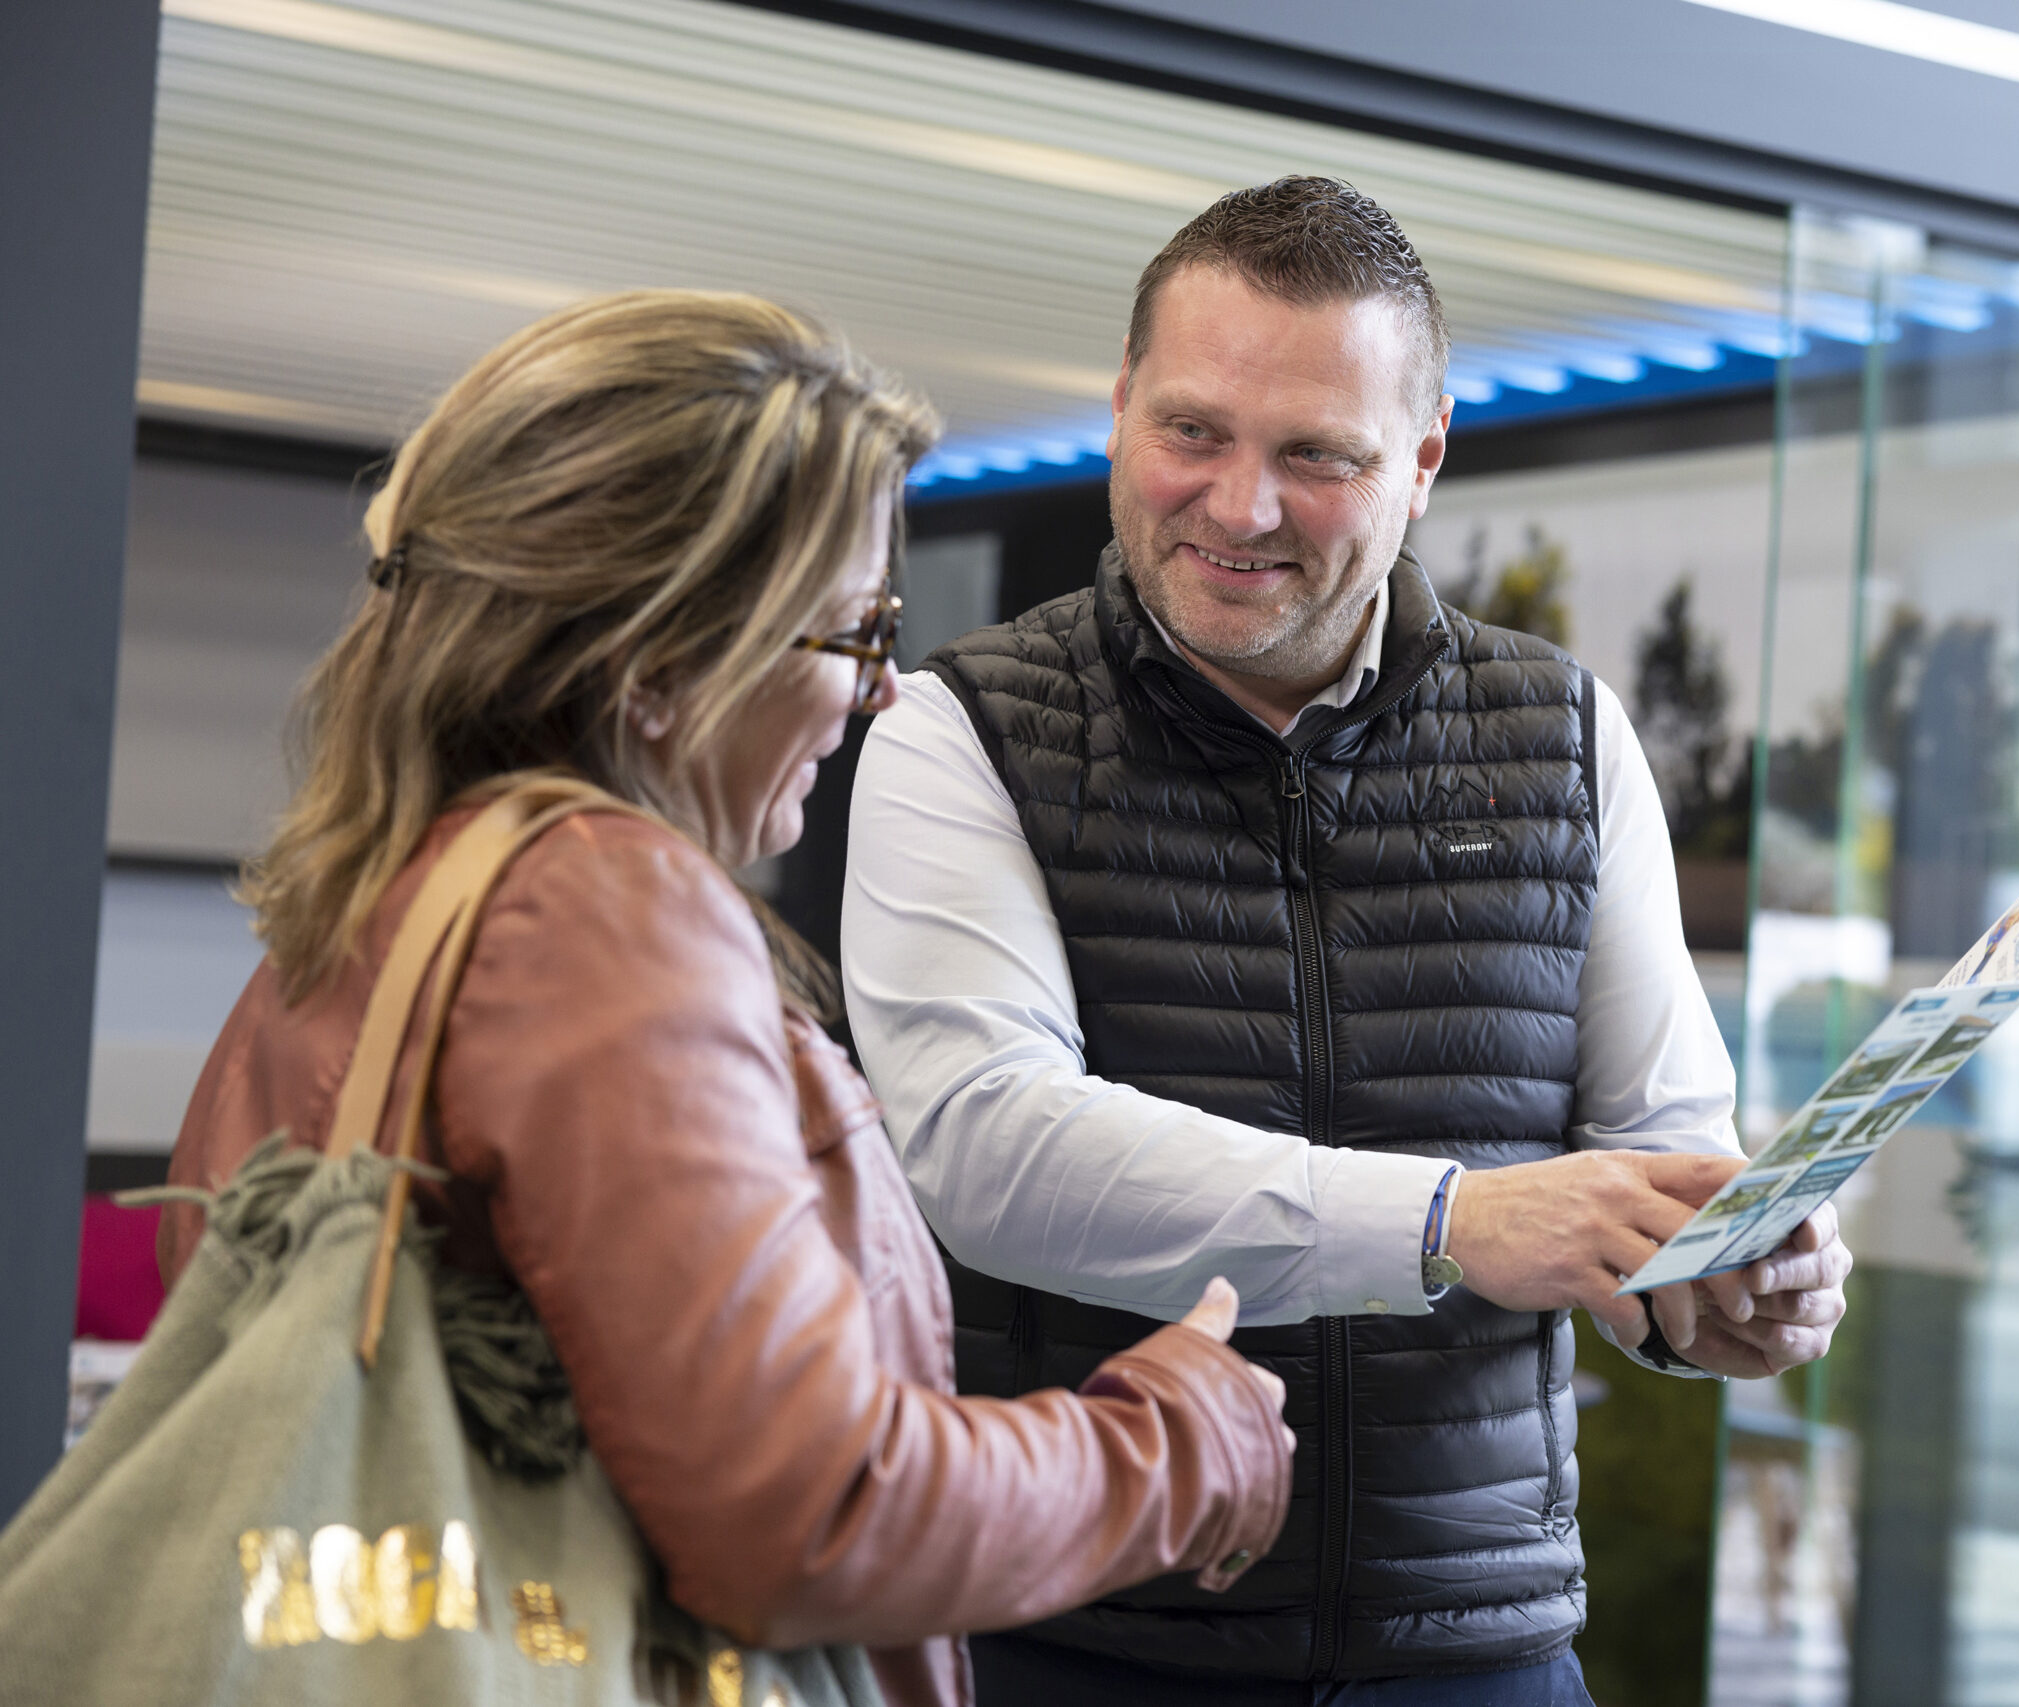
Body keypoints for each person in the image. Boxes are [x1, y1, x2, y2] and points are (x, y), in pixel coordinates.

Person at [159, 290, 1294, 1707]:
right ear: (659, 665)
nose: (877, 697)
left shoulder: (367, 905)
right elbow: (816, 1511)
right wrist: (1183, 1439)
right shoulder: (603, 915)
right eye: (853, 632)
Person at [842, 177, 1853, 1704]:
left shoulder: (1569, 737)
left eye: (1317, 455)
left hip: (1479, 1652)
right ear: (1120, 409)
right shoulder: (955, 729)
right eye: (1193, 432)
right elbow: (989, 1152)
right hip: (1077, 1641)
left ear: (1424, 460)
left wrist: (1723, 1286)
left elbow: (1658, 1146)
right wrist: (1455, 1222)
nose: (1241, 505)